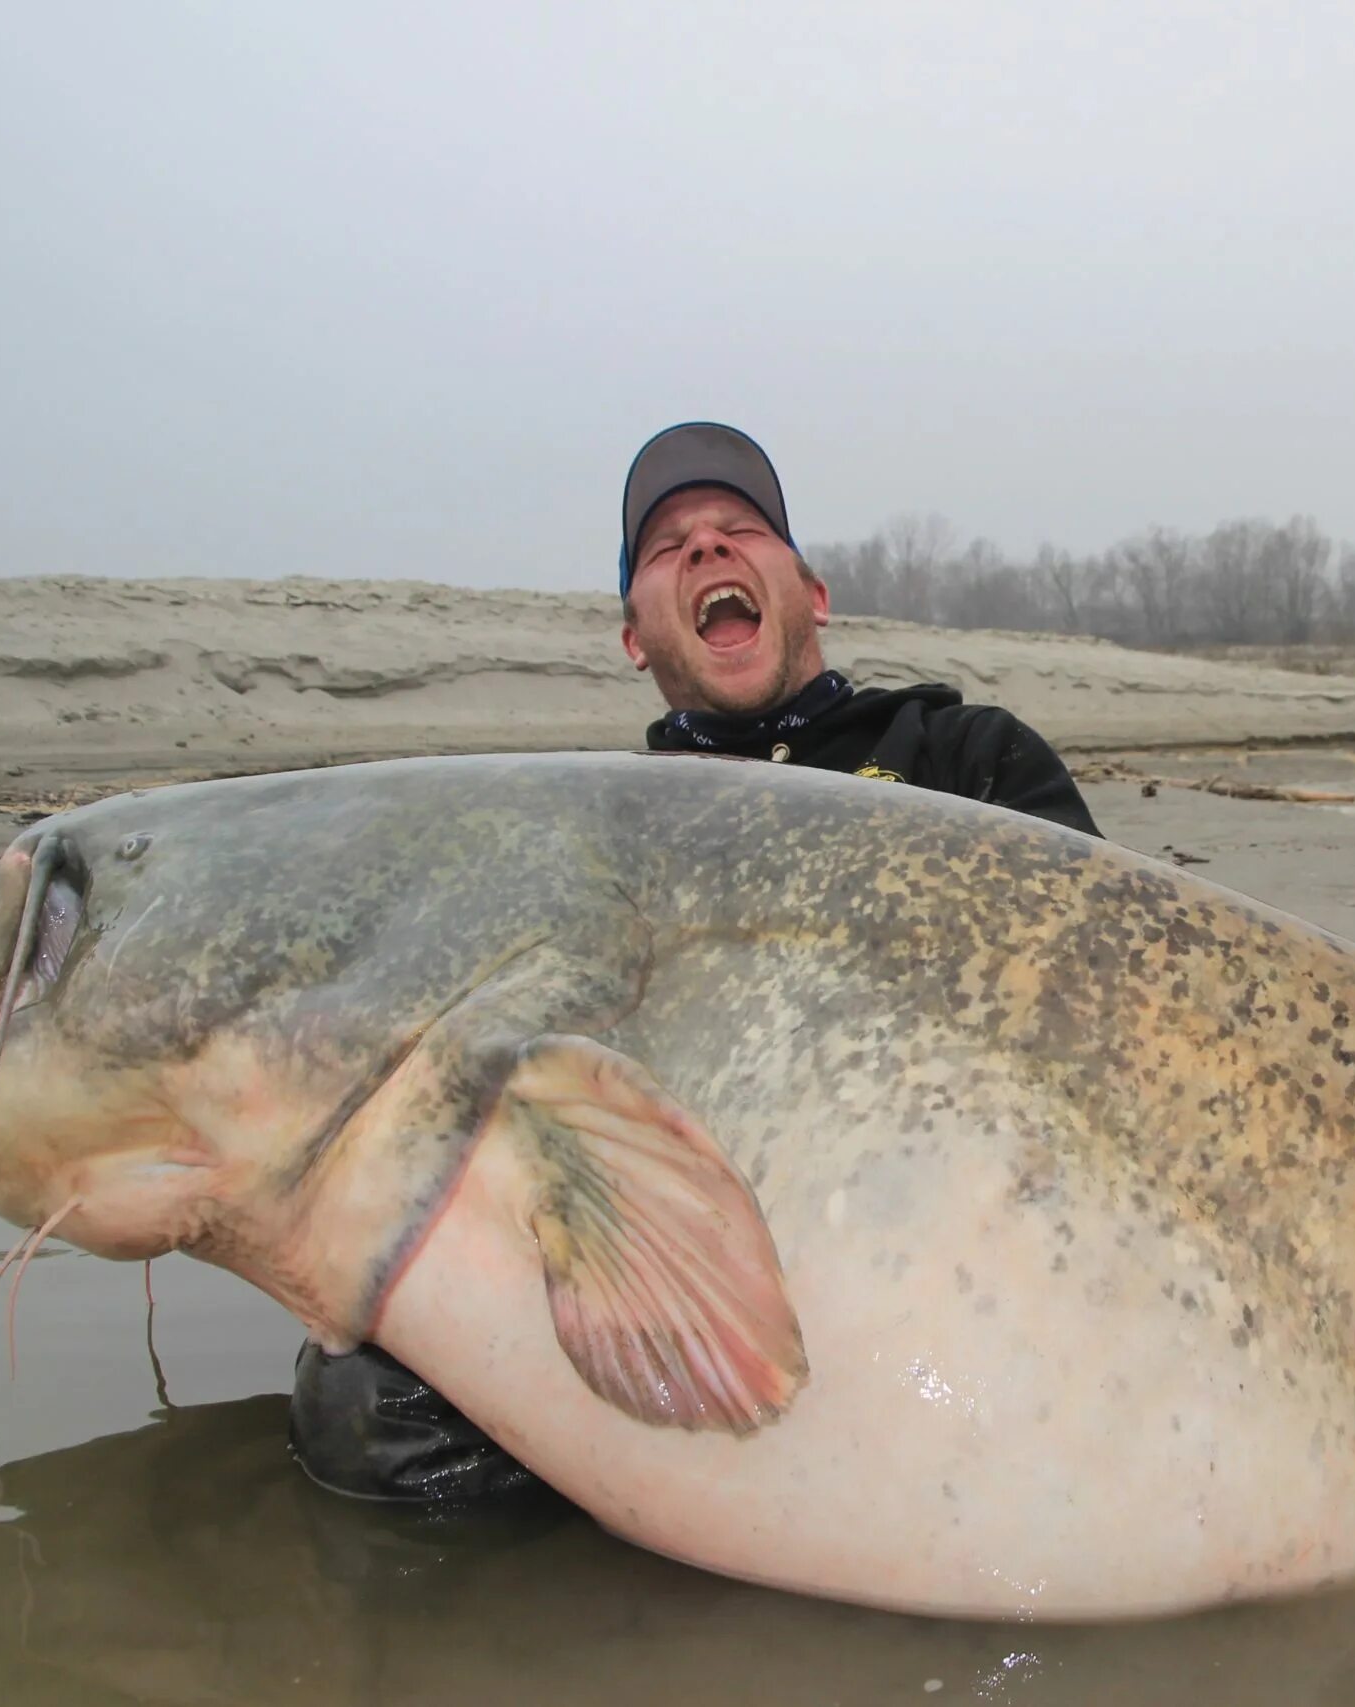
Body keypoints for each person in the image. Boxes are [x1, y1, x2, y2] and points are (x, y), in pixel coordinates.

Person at [288, 421, 1100, 1502]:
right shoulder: (593, 842)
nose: (709, 551)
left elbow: (1102, 1006)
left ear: (811, 592)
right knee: (364, 1412)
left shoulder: (964, 755)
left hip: (963, 1219)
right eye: (669, 547)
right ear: (633, 636)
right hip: (682, 1245)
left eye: (739, 530)